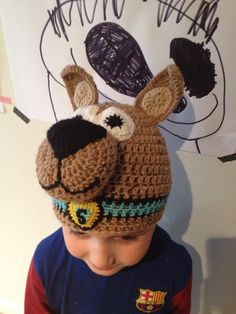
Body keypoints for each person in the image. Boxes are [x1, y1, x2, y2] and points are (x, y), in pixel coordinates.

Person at [25, 64, 192, 314]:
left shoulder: (173, 266)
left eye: (127, 236)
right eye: (78, 232)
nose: (101, 258)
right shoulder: (47, 261)